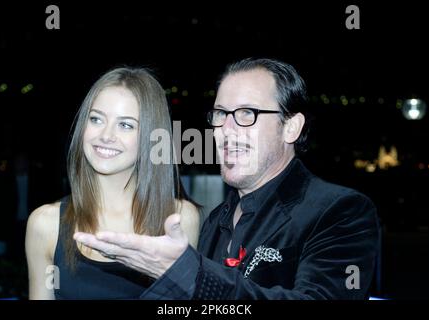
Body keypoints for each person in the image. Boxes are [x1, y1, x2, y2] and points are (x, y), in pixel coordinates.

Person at [75, 58, 380, 299]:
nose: (227, 129)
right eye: (221, 114)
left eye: (247, 113)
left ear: (291, 127)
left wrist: (187, 274)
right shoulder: (213, 223)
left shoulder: (341, 212)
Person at [25, 67, 200, 299]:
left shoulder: (179, 219)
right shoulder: (45, 224)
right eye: (96, 119)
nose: (106, 135)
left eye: (125, 125)